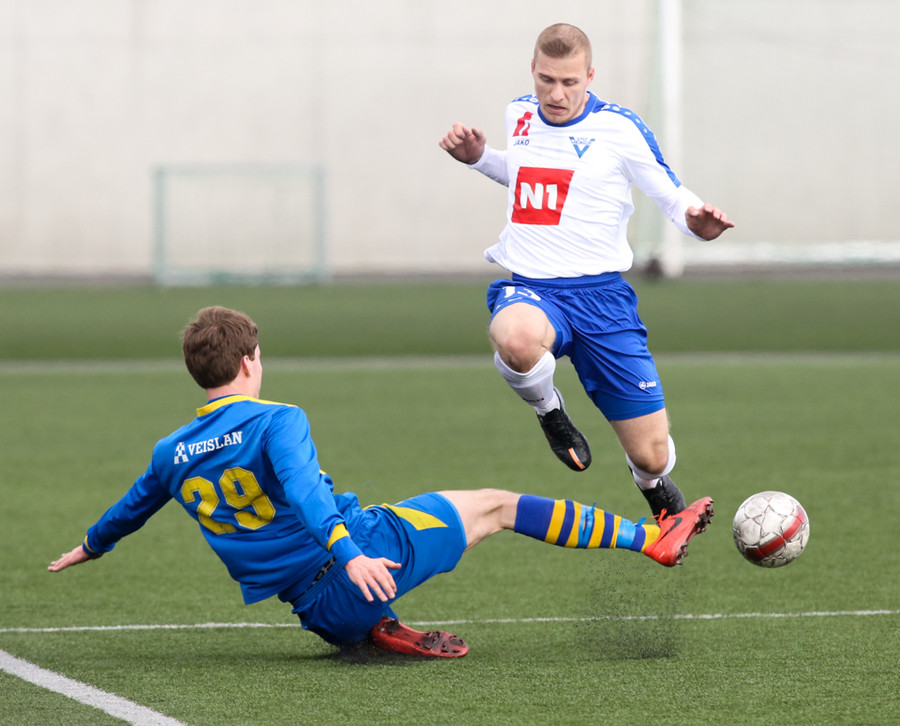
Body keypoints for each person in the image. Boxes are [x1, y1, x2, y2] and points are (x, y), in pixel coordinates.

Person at [48, 306, 714, 658]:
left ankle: (374, 629)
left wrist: (90, 545)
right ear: (250, 361)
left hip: (316, 614)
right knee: (498, 506)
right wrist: (349, 552)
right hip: (362, 561)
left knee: (395, 537)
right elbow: (307, 496)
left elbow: (131, 508)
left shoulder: (171, 451)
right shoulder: (277, 419)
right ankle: (650, 537)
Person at [439, 23, 734, 520]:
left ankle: (652, 484)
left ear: (590, 77)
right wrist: (479, 158)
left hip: (602, 301)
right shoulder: (519, 114)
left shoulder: (620, 129)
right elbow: (525, 173)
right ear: (533, 70)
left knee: (653, 454)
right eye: (547, 80)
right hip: (533, 290)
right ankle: (549, 411)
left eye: (569, 82)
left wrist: (696, 223)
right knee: (514, 336)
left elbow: (670, 194)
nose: (556, 94)